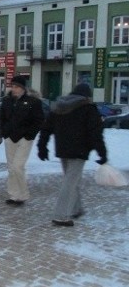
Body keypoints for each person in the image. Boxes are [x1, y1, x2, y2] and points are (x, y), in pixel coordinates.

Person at [37, 83, 107, 227]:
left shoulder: (59, 106)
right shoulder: (88, 108)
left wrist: (42, 146)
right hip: (79, 150)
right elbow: (95, 133)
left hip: (62, 149)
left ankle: (76, 208)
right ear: (87, 95)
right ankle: (60, 215)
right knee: (70, 182)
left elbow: (46, 128)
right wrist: (102, 153)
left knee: (71, 180)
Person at [0, 75, 45, 206]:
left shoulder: (33, 102)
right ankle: (14, 195)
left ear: (22, 88)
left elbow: (39, 120)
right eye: (12, 86)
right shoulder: (7, 101)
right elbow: (1, 118)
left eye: (16, 87)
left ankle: (23, 194)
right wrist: (4, 132)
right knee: (11, 167)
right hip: (10, 137)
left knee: (18, 166)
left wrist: (29, 135)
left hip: (24, 138)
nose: (13, 89)